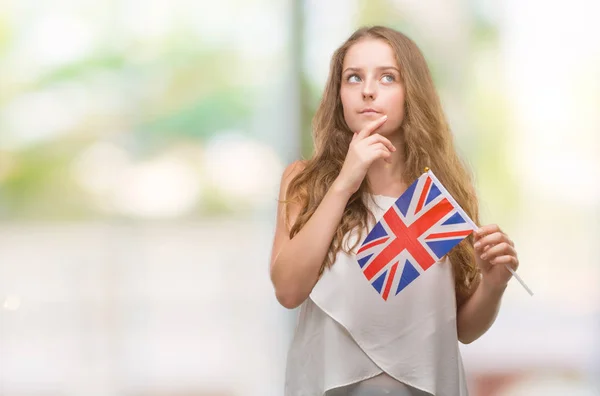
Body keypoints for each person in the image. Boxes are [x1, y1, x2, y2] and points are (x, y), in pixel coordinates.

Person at [269, 26, 520, 396]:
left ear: (410, 93)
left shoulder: (441, 194)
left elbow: (462, 329)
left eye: (387, 77)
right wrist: (344, 183)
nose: (368, 90)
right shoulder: (305, 181)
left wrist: (494, 284)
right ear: (339, 94)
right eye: (353, 77)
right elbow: (288, 290)